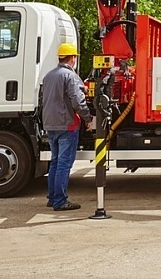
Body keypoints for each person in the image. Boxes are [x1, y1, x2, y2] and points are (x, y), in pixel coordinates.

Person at [41, 43, 94, 211]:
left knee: (55, 162)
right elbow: (77, 101)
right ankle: (60, 201)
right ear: (73, 58)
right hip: (67, 125)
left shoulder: (49, 76)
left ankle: (52, 198)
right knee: (64, 164)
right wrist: (88, 117)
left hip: (51, 124)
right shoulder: (70, 77)